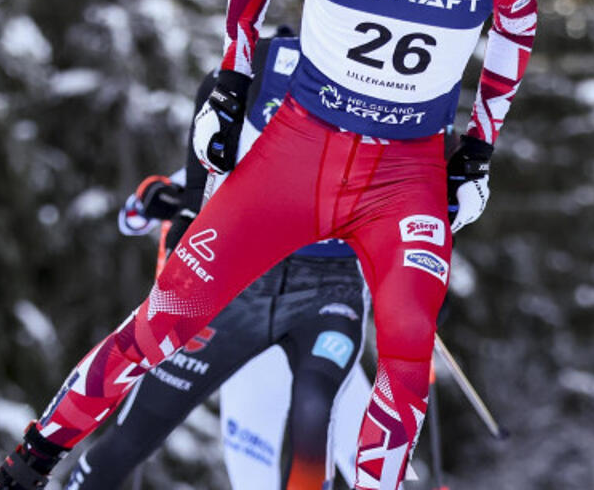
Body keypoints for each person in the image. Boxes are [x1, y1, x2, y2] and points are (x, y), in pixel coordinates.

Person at [0, 0, 538, 490]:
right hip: (297, 158)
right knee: (162, 325)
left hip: (404, 177)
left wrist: (476, 152)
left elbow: (514, 39)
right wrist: (229, 82)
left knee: (407, 359)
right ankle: (28, 463)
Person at [65, 28, 371, 490]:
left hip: (317, 309)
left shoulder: (356, 137)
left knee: (357, 451)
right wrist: (156, 200)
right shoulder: (234, 138)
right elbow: (138, 213)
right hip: (236, 306)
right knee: (241, 463)